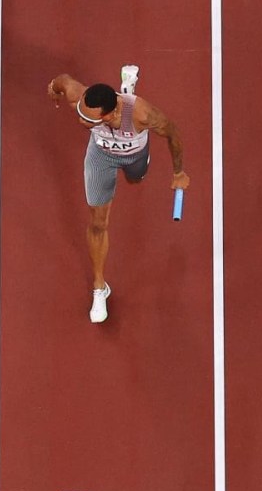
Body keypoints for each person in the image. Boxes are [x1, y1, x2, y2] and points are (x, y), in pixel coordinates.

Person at [47, 69, 190, 323]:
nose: (80, 120)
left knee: (135, 181)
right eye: (80, 113)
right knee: (97, 223)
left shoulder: (141, 115)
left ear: (110, 115)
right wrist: (53, 90)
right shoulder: (79, 97)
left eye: (88, 119)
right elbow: (62, 81)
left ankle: (127, 90)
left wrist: (179, 172)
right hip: (101, 158)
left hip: (134, 155)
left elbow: (172, 132)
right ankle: (99, 287)